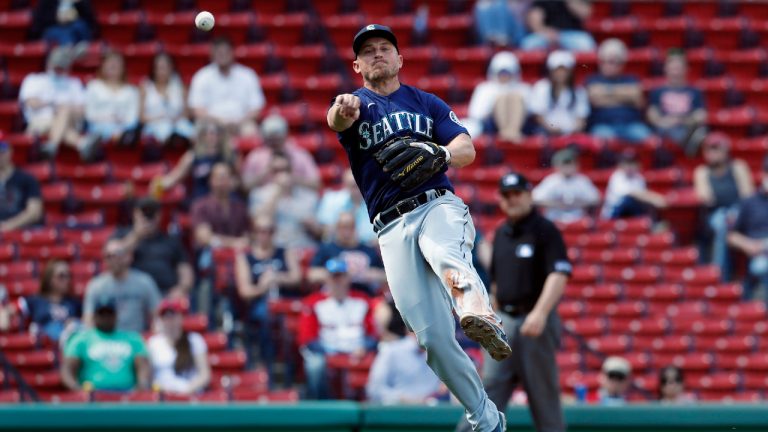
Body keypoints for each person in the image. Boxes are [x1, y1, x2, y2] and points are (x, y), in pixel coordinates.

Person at [328, 24, 511, 432]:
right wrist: (341, 109)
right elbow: (336, 119)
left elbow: (467, 148)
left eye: (385, 48)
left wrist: (441, 153)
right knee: (433, 341)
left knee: (446, 254)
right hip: (389, 229)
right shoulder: (355, 105)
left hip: (436, 207)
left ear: (399, 59)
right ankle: (486, 418)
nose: (378, 54)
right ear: (356, 65)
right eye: (368, 51)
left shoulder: (425, 102)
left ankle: (477, 310)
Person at [457, 172, 570, 432]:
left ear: (529, 194)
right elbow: (497, 281)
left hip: (534, 321)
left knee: (544, 397)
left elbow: (559, 273)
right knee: (486, 393)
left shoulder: (545, 230)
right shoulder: (502, 234)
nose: (512, 199)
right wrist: (492, 315)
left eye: (517, 193)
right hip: (505, 321)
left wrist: (541, 313)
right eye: (506, 195)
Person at [298, 258, 377, 399]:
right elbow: (308, 339)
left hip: (359, 351)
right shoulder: (313, 302)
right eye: (334, 276)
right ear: (327, 279)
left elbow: (374, 333)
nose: (337, 281)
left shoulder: (363, 300)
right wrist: (330, 352)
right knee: (314, 366)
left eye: (341, 276)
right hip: (326, 352)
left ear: (348, 278)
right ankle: (320, 406)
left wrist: (365, 347)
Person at [234, 213, 302, 374]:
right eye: (260, 230)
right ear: (254, 233)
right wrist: (263, 287)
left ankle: (295, 366)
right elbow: (245, 291)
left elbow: (297, 277)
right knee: (266, 315)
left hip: (285, 301)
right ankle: (268, 364)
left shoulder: (284, 252)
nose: (265, 235)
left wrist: (278, 277)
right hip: (260, 303)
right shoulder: (246, 257)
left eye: (269, 231)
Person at [693, 133, 754, 281]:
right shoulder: (702, 171)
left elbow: (748, 196)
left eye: (716, 148)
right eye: (708, 149)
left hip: (738, 211)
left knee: (727, 223)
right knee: (722, 224)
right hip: (716, 214)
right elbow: (706, 198)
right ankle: (721, 275)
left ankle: (719, 275)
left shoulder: (738, 166)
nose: (712, 153)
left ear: (725, 150)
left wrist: (736, 214)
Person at [61, 294, 151, 392]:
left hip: (127, 395)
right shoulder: (81, 340)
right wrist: (77, 390)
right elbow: (67, 369)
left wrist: (142, 385)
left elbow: (143, 366)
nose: (106, 317)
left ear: (116, 315)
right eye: (102, 314)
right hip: (93, 396)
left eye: (109, 313)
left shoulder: (133, 339)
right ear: (94, 316)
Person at [367, 296, 444, 404]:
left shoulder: (440, 354)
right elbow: (374, 390)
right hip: (399, 413)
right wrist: (402, 399)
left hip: (433, 413)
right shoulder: (391, 351)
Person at [114, 197, 194, 298]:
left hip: (165, 294)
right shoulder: (122, 234)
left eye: (152, 214)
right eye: (143, 213)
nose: (148, 218)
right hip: (132, 294)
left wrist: (181, 289)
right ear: (135, 214)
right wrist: (137, 235)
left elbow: (185, 270)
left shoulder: (171, 240)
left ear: (159, 216)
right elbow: (115, 255)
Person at [188, 37, 265, 137]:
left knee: (252, 131)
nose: (223, 55)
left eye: (226, 52)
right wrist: (220, 122)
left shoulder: (248, 75)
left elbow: (256, 108)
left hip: (241, 123)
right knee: (200, 131)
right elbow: (197, 109)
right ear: (212, 54)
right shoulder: (202, 76)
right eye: (219, 52)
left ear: (233, 53)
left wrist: (238, 122)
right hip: (211, 123)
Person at [19, 46, 86, 159]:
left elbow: (81, 111)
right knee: (62, 110)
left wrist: (62, 109)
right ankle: (82, 143)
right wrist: (53, 105)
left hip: (71, 122)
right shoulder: (33, 79)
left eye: (62, 68)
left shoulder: (74, 83)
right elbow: (31, 103)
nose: (59, 71)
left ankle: (52, 145)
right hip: (39, 122)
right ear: (49, 63)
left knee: (64, 109)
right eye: (57, 67)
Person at [83, 238, 162, 333]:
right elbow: (88, 320)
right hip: (106, 341)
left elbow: (158, 316)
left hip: (136, 339)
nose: (113, 259)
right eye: (109, 256)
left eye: (118, 254)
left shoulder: (144, 282)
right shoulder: (95, 286)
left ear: (129, 256)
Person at [586, 39, 652, 143]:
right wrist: (625, 97)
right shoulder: (593, 80)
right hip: (603, 126)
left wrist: (606, 95)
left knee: (648, 139)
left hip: (631, 125)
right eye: (604, 61)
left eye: (612, 62)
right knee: (604, 141)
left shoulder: (631, 79)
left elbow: (636, 98)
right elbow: (595, 100)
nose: (607, 65)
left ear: (621, 63)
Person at [248, 153, 319, 249]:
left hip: (302, 245)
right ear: (270, 172)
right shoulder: (258, 194)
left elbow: (320, 232)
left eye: (285, 170)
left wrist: (313, 227)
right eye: (276, 170)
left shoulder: (307, 196)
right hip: (274, 248)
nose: (282, 174)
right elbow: (259, 223)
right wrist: (278, 192)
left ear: (291, 171)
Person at [152, 122, 234, 202]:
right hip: (201, 200)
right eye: (210, 133)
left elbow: (237, 181)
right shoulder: (193, 156)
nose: (214, 137)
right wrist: (160, 184)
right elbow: (175, 177)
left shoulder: (228, 156)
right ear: (203, 136)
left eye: (217, 134)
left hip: (225, 199)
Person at [308, 212, 387, 294]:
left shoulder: (369, 250)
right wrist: (337, 274)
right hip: (333, 296)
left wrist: (368, 274)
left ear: (355, 228)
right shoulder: (327, 249)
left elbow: (385, 276)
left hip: (365, 296)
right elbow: (312, 275)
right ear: (337, 228)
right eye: (343, 227)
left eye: (350, 227)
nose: (346, 231)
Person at [647, 50, 707, 156]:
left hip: (685, 125)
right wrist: (665, 122)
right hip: (665, 127)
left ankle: (688, 139)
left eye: (678, 69)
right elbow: (652, 115)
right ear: (666, 69)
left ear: (686, 70)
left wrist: (682, 120)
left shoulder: (694, 92)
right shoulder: (657, 91)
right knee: (664, 130)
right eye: (673, 69)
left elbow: (701, 115)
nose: (676, 72)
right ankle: (688, 142)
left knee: (696, 128)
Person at [147, 298, 211, 395]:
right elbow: (149, 378)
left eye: (173, 315)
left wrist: (188, 389)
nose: (169, 320)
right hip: (162, 397)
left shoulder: (195, 340)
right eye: (165, 317)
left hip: (190, 396)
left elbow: (205, 375)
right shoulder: (153, 343)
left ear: (181, 317)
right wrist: (160, 389)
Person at [241, 114, 321, 191]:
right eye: (271, 139)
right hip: (265, 197)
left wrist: (292, 178)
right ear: (265, 138)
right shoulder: (255, 157)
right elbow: (245, 187)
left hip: (295, 197)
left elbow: (316, 184)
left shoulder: (300, 155)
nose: (274, 143)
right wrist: (267, 170)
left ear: (285, 136)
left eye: (277, 139)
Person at [83, 51, 141, 157]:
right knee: (100, 131)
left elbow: (133, 117)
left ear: (123, 67)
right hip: (98, 126)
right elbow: (89, 114)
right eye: (110, 63)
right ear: (102, 66)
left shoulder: (131, 90)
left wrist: (120, 121)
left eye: (117, 63)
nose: (113, 65)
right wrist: (107, 118)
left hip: (124, 126)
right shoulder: (93, 86)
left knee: (131, 130)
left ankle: (122, 139)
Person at [727, 155, 768, 303]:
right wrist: (748, 245)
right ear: (764, 174)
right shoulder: (749, 202)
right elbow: (731, 236)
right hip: (755, 253)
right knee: (761, 266)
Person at [465, 51, 529, 141]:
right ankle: (505, 132)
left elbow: (532, 112)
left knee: (515, 97)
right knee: (502, 98)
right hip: (491, 126)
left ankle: (512, 131)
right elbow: (476, 114)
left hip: (521, 127)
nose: (504, 76)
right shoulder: (484, 88)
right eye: (501, 73)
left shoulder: (523, 88)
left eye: (507, 73)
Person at [190, 162, 251, 251]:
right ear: (211, 180)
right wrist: (233, 243)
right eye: (220, 178)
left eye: (227, 178)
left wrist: (244, 241)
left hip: (238, 255)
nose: (224, 182)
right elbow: (205, 238)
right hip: (211, 256)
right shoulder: (201, 206)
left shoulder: (240, 206)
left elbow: (246, 235)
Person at [17, 260, 81, 343]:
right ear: (50, 279)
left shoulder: (74, 303)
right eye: (61, 276)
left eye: (69, 276)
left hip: (69, 345)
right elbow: (12, 309)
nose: (67, 280)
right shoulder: (36, 301)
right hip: (44, 346)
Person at [528, 50, 590, 136]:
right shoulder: (541, 87)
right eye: (557, 70)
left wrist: (573, 130)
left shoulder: (578, 91)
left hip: (571, 134)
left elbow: (581, 118)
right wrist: (551, 128)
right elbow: (538, 115)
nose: (561, 74)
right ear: (551, 71)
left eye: (564, 70)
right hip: (546, 133)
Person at [139, 53, 194, 146]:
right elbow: (141, 118)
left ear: (172, 69)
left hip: (177, 123)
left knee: (192, 132)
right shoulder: (145, 87)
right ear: (153, 69)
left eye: (165, 67)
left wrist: (177, 118)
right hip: (154, 124)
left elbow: (187, 114)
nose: (162, 71)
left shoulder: (181, 87)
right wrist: (159, 118)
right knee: (163, 129)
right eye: (159, 68)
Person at [533, 148, 600, 222]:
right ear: (557, 166)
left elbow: (596, 199)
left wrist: (577, 203)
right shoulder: (551, 181)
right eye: (564, 164)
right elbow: (535, 200)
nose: (567, 168)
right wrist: (557, 204)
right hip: (554, 220)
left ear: (576, 165)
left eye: (570, 164)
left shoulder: (582, 180)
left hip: (578, 221)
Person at [311, 168, 376, 245]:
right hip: (338, 247)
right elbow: (325, 232)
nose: (358, 189)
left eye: (360, 184)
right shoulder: (331, 200)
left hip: (368, 250)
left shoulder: (375, 203)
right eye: (353, 186)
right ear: (345, 185)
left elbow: (375, 238)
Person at [601, 150, 667, 219]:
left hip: (631, 211)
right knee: (628, 200)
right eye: (626, 162)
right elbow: (632, 193)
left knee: (641, 205)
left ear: (638, 164)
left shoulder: (639, 178)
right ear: (620, 164)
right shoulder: (616, 176)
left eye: (632, 162)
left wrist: (655, 198)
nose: (629, 166)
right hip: (613, 214)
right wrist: (655, 198)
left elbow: (642, 195)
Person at [520, 0, 596, 52]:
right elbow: (534, 19)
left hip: (572, 34)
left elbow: (585, 14)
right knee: (528, 44)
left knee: (586, 44)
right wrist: (546, 32)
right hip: (546, 34)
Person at [0, 142, 43, 233]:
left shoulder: (26, 179)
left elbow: (34, 212)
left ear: (10, 151)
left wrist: (9, 225)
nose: (0, 155)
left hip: (20, 231)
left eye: (2, 151)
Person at [29, 0, 96, 45]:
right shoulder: (47, 1)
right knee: (64, 33)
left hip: (74, 27)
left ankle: (85, 50)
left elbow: (91, 22)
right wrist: (57, 18)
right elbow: (39, 22)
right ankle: (67, 53)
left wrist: (79, 5)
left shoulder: (80, 2)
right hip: (53, 27)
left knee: (80, 25)